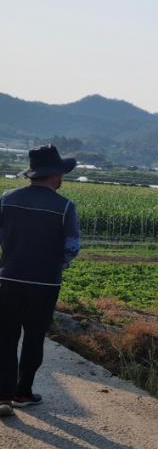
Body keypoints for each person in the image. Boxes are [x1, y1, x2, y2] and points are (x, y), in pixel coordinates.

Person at [0, 145, 80, 417]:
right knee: (34, 338)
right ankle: (23, 392)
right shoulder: (65, 207)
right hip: (45, 284)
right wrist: (54, 265)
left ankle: (3, 395)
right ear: (56, 175)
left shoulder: (7, 199)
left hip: (8, 278)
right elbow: (72, 247)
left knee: (6, 337)